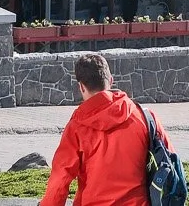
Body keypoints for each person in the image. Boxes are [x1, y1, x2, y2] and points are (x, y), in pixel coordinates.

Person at [41, 53, 164, 206]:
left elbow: (60, 178)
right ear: (110, 80)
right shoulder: (145, 117)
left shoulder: (77, 127)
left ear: (81, 87)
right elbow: (168, 162)